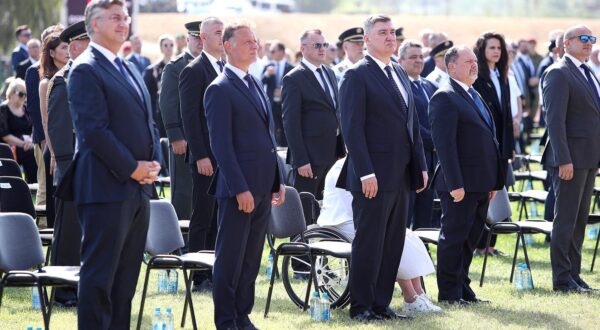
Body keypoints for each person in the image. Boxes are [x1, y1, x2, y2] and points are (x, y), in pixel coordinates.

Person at [66, 1, 161, 328]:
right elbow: (94, 131)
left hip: (138, 190)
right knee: (99, 280)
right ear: (93, 24)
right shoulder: (85, 68)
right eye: (115, 18)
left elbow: (148, 123)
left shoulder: (129, 67)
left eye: (126, 17)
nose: (124, 23)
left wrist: (153, 164)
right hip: (106, 189)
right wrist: (132, 167)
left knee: (125, 283)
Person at [338, 14, 427, 322]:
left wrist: (421, 166)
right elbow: (352, 128)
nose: (390, 37)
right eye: (383, 33)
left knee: (392, 243)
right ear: (367, 40)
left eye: (392, 32)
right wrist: (365, 171)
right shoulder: (357, 75)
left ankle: (381, 304)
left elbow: (411, 125)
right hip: (373, 175)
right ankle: (361, 307)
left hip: (401, 174)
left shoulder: (400, 74)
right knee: (370, 241)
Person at [204, 21, 285, 330]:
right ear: (228, 46)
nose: (255, 45)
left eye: (255, 40)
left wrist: (276, 181)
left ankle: (242, 315)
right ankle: (226, 320)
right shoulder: (220, 88)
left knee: (251, 258)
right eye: (247, 41)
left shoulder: (253, 82)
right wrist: (240, 188)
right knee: (230, 258)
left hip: (263, 185)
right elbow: (221, 146)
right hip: (240, 189)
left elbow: (266, 138)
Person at [317, 158, 442, 316]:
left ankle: (418, 294)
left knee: (406, 235)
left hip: (358, 218)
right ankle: (410, 296)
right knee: (386, 240)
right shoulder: (345, 166)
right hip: (340, 221)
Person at [429, 45, 504, 305]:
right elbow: (444, 146)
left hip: (481, 182)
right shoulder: (445, 96)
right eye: (468, 61)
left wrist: (494, 181)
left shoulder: (473, 93)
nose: (475, 65)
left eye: (475, 61)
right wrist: (455, 184)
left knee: (470, 239)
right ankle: (449, 293)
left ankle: (463, 289)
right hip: (459, 184)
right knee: (454, 237)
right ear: (452, 67)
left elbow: (488, 138)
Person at [542, 25, 600, 293]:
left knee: (579, 221)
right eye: (583, 38)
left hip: (588, 159)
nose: (589, 43)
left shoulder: (587, 71)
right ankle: (562, 279)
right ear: (566, 43)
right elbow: (554, 121)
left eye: (592, 39)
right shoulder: (558, 73)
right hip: (569, 161)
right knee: (565, 220)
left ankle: (574, 275)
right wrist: (564, 159)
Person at [46, 20, 90, 308]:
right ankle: (63, 292)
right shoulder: (63, 80)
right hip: (73, 170)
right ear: (74, 46)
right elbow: (60, 132)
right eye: (87, 41)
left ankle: (83, 287)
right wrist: (67, 172)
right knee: (69, 233)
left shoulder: (91, 76)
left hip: (95, 171)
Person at [179, 17, 224, 292]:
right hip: (206, 156)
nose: (223, 36)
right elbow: (189, 117)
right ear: (203, 37)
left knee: (220, 216)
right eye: (218, 32)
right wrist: (200, 155)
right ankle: (198, 275)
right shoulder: (194, 70)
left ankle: (214, 269)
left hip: (225, 156)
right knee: (202, 215)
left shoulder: (225, 67)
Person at [282, 29, 343, 200]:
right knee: (306, 209)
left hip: (332, 154)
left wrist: (340, 147)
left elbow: (334, 111)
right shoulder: (293, 78)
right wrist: (301, 160)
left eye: (324, 44)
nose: (322, 48)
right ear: (303, 49)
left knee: (326, 207)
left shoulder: (329, 73)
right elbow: (290, 123)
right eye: (317, 45)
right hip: (309, 158)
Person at [472, 32, 515, 257]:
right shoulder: (478, 77)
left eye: (499, 48)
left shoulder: (502, 75)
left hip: (501, 148)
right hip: (485, 147)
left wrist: (510, 146)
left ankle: (490, 244)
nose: (496, 52)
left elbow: (506, 116)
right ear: (482, 50)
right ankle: (479, 244)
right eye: (491, 48)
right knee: (483, 195)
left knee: (498, 191)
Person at [158, 21, 203, 220]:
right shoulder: (176, 67)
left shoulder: (216, 65)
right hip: (183, 141)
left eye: (203, 38)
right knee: (184, 193)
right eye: (196, 38)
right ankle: (181, 243)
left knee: (204, 194)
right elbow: (167, 103)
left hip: (206, 140)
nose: (200, 42)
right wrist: (175, 135)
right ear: (187, 40)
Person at [397, 40, 439, 230]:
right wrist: (436, 140)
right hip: (411, 160)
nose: (418, 61)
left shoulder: (430, 85)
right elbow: (408, 123)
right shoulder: (399, 87)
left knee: (426, 213)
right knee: (406, 214)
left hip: (432, 160)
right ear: (400, 61)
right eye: (413, 57)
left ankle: (424, 253)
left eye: (421, 57)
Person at [25, 25, 62, 209]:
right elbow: (34, 109)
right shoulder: (34, 71)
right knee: (44, 184)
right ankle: (41, 228)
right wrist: (44, 140)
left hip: (59, 138)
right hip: (43, 138)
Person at [39, 31, 69, 229]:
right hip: (54, 150)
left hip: (66, 147)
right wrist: (53, 154)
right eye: (63, 48)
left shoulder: (71, 75)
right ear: (51, 53)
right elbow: (46, 121)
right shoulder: (46, 82)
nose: (67, 52)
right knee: (55, 205)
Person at [0, 78, 37, 182]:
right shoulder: (3, 109)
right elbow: (5, 135)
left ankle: (34, 184)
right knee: (29, 153)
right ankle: (24, 185)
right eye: (21, 94)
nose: (24, 97)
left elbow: (33, 128)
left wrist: (31, 142)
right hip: (10, 147)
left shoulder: (26, 109)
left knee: (36, 152)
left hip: (27, 144)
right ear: (11, 93)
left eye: (25, 94)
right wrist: (23, 144)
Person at [262, 41, 293, 147]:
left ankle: (286, 147)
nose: (271, 53)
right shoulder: (268, 66)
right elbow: (261, 81)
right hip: (272, 102)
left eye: (273, 51)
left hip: (285, 102)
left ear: (281, 52)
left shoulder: (291, 67)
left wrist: (283, 91)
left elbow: (294, 86)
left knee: (286, 125)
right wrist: (266, 74)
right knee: (273, 126)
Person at [143, 33, 174, 138]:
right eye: (165, 45)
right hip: (159, 113)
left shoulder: (179, 67)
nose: (169, 48)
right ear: (161, 48)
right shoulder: (153, 69)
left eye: (171, 45)